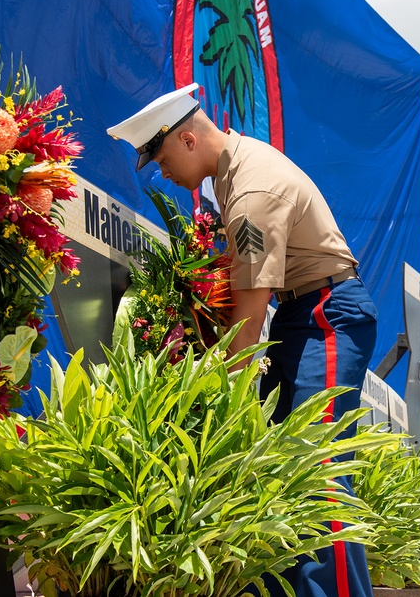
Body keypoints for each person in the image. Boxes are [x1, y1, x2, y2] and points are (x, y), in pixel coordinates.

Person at [108, 84, 378, 597]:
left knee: (314, 464)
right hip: (304, 314)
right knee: (281, 466)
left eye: (162, 159)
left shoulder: (250, 191)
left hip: (324, 315)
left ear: (188, 140)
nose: (163, 174)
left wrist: (222, 394)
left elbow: (249, 321)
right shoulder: (234, 169)